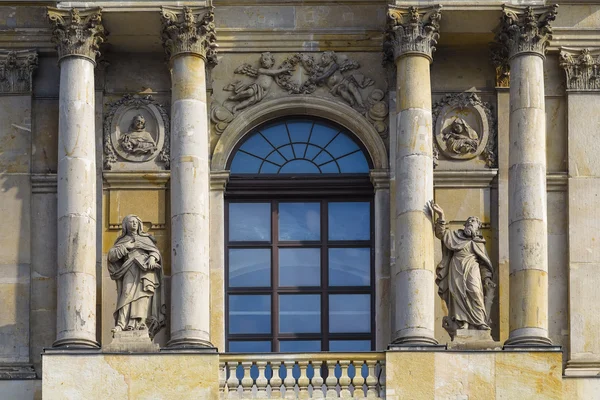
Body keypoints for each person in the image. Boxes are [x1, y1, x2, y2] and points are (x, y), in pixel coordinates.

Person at [429, 201, 495, 335]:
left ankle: (479, 321)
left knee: (475, 291)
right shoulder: (455, 237)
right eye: (469, 221)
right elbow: (441, 233)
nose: (470, 223)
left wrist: (487, 278)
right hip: (457, 267)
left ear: (478, 227)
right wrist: (441, 216)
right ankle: (462, 322)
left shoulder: (479, 243)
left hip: (472, 268)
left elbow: (484, 264)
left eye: (473, 222)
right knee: (457, 295)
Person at [108, 215, 165, 338]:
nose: (133, 224)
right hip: (129, 268)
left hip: (145, 271)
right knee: (126, 294)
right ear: (125, 225)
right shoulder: (122, 241)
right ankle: (121, 324)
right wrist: (126, 247)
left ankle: (141, 323)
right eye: (130, 222)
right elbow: (112, 256)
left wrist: (151, 258)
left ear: (139, 224)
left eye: (135, 222)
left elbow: (155, 251)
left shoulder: (146, 239)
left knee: (143, 296)